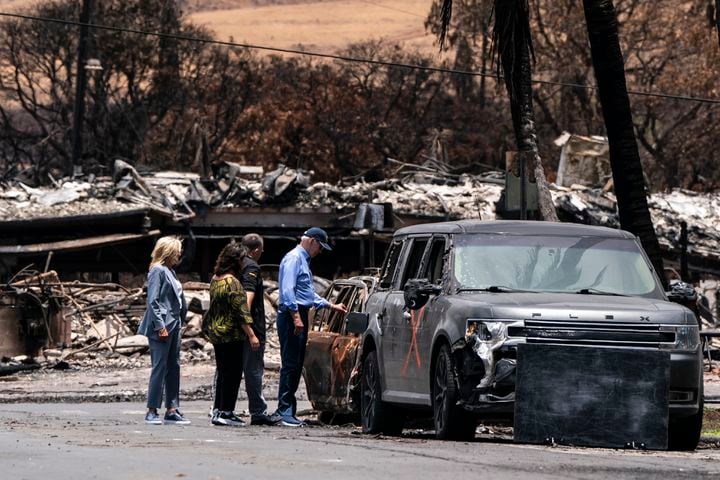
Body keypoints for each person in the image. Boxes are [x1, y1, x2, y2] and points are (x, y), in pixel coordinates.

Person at [273, 227, 347, 427]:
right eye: (319, 247)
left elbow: (306, 293)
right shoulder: (294, 259)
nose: (319, 251)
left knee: (296, 364)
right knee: (290, 364)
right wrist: (296, 317)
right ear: (312, 241)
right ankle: (284, 411)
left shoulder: (303, 261)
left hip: (299, 314)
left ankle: (288, 410)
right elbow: (288, 291)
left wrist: (330, 305)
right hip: (292, 316)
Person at [203, 241, 261, 427]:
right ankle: (227, 412)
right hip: (231, 334)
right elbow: (241, 312)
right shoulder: (233, 282)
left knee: (222, 373)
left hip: (216, 333)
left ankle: (219, 410)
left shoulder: (215, 279)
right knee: (233, 374)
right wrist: (252, 334)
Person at [138, 236, 190, 425]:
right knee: (159, 368)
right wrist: (160, 326)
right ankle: (152, 410)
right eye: (176, 251)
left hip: (174, 324)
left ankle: (172, 408)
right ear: (169, 252)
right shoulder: (157, 271)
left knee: (173, 366)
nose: (179, 255)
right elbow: (153, 301)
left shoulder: (170, 271)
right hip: (162, 326)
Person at [240, 233, 281, 426]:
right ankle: (258, 411)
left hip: (236, 329)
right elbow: (247, 303)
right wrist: (251, 332)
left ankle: (221, 409)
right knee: (254, 371)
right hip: (252, 328)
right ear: (256, 250)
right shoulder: (252, 267)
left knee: (230, 371)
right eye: (261, 250)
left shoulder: (236, 264)